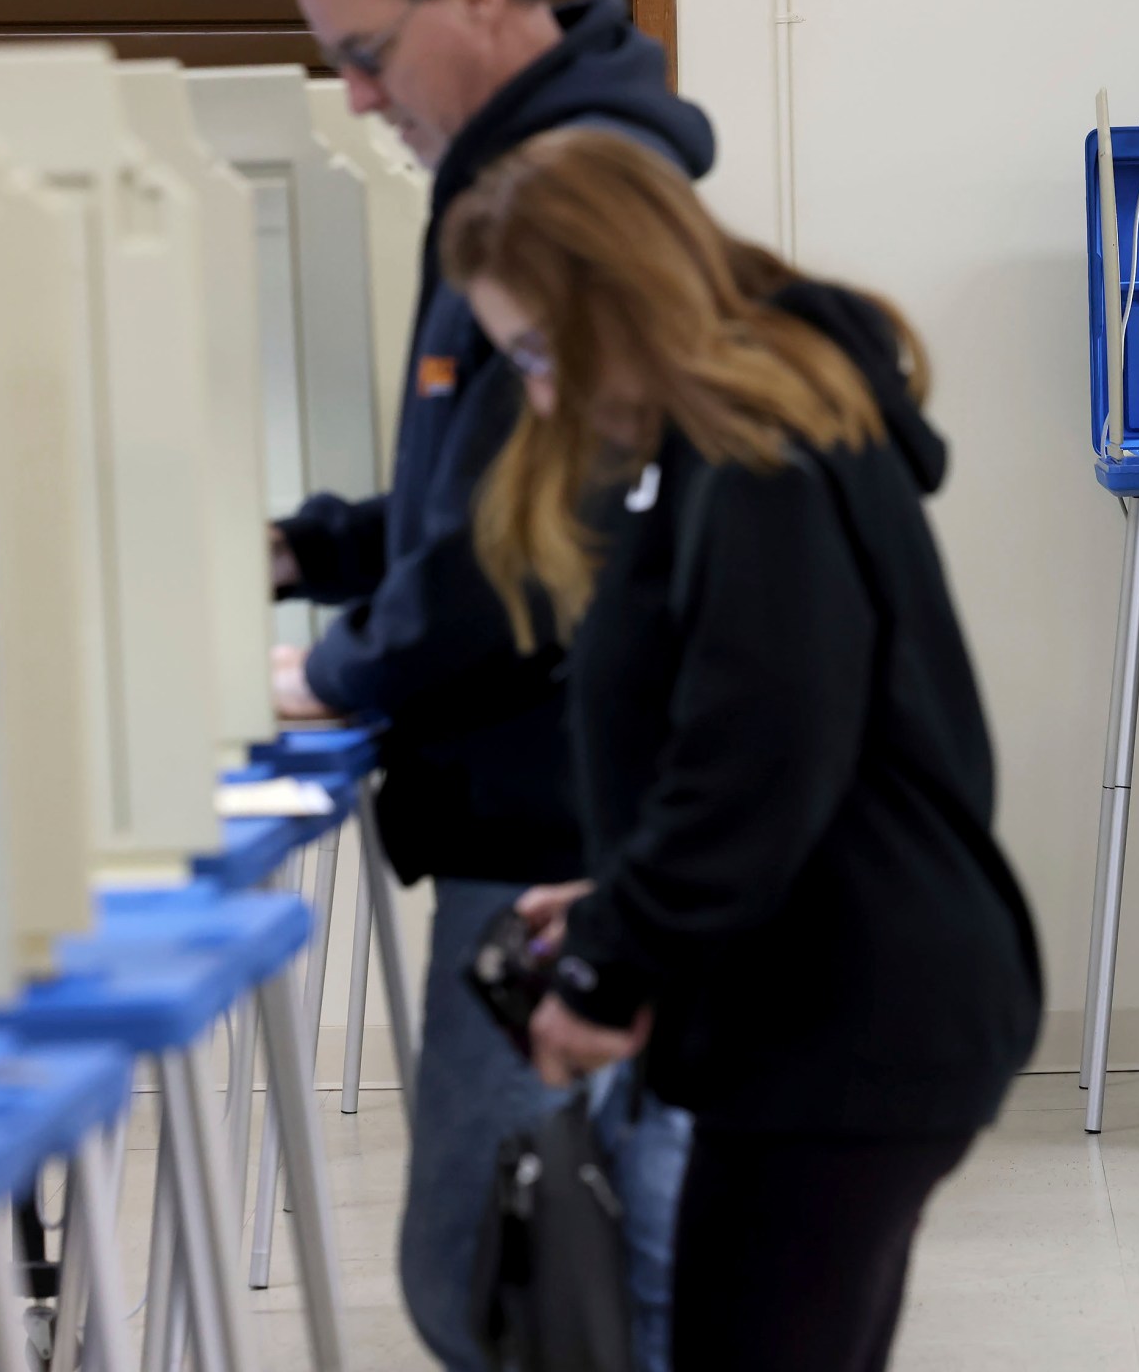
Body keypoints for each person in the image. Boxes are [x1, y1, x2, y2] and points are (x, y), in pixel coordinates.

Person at [442, 127, 1042, 1370]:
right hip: (837, 991)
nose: (545, 395)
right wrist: (628, 901)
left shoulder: (751, 445)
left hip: (847, 1013)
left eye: (548, 353)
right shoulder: (735, 432)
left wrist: (612, 963)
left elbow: (757, 754)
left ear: (627, 293)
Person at [251, 0, 708, 1365]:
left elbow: (534, 544)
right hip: (547, 801)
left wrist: (334, 669)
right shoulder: (531, 166)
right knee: (536, 1269)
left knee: (504, 1274)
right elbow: (484, 490)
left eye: (369, 54)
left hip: (557, 819)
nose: (360, 100)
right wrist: (316, 549)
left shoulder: (568, 187)